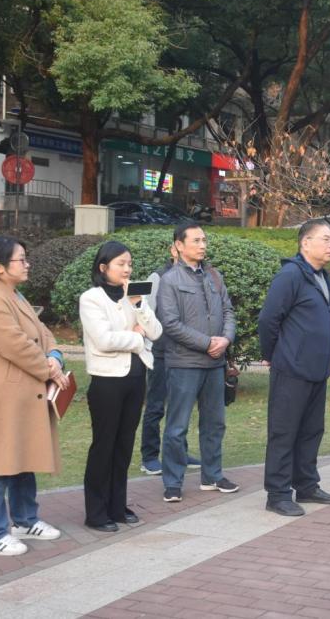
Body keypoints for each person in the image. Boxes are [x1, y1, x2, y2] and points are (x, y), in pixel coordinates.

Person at [0, 236, 67, 556]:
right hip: (2, 394)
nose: (27, 264)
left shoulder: (14, 294)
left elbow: (42, 332)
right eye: (20, 259)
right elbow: (15, 344)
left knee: (24, 454)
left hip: (25, 391)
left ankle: (25, 520)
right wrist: (49, 369)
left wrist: (55, 356)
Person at [259, 219, 330, 516]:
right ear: (305, 243)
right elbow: (269, 320)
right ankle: (278, 494)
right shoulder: (290, 275)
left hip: (316, 369)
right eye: (326, 239)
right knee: (284, 432)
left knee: (311, 430)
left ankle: (306, 485)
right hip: (291, 369)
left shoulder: (323, 277)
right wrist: (273, 354)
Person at [79, 241, 163, 532]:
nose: (127, 269)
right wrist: (137, 338)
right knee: (104, 445)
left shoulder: (134, 295)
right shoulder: (91, 298)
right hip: (107, 382)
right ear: (104, 267)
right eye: (121, 264)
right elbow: (104, 340)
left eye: (129, 263)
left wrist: (138, 305)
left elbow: (156, 331)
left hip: (136, 379)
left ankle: (117, 505)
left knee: (124, 445)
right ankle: (96, 512)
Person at [156, 222, 239, 502]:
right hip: (184, 364)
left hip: (215, 365)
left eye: (204, 240)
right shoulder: (170, 280)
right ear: (179, 245)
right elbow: (170, 323)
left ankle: (212, 476)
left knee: (215, 424)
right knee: (177, 427)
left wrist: (225, 339)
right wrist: (207, 343)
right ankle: (173, 482)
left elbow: (228, 311)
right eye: (196, 241)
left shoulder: (214, 276)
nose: (202, 245)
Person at [139, 244, 200, 476]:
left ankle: (179, 453)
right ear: (174, 250)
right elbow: (145, 314)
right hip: (160, 352)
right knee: (155, 406)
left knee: (180, 407)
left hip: (185, 353)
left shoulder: (196, 276)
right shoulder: (157, 277)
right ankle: (149, 457)